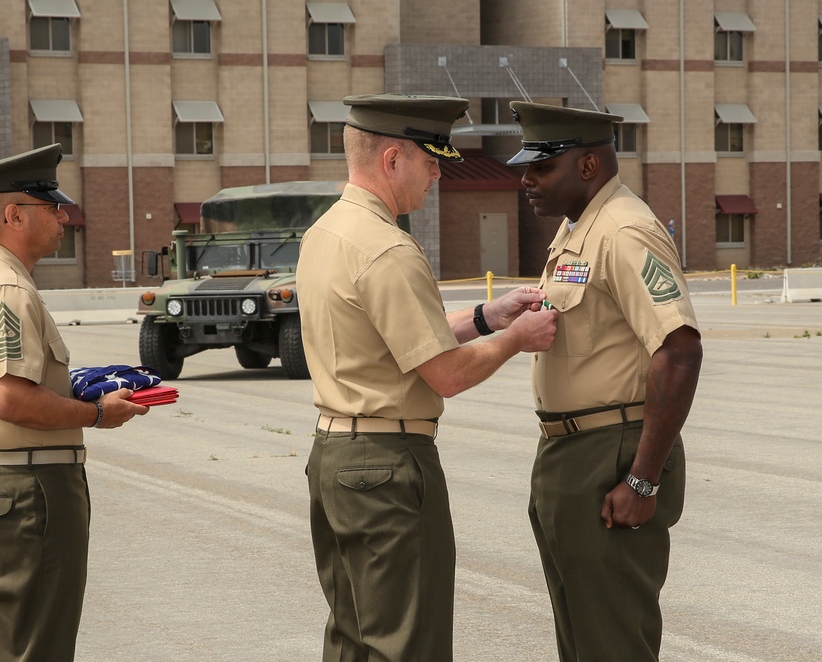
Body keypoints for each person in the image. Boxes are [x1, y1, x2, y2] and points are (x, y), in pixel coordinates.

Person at [297, 93, 558, 661]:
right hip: (387, 466)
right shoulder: (389, 249)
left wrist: (489, 315)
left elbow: (397, 336)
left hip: (336, 456)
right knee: (407, 643)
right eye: (431, 159)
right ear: (393, 160)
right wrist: (518, 338)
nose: (438, 174)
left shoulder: (326, 233)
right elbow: (445, 374)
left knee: (353, 638)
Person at [506, 101, 703, 661]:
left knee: (613, 642)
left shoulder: (624, 231)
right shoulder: (581, 230)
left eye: (541, 168)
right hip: (570, 454)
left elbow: (680, 352)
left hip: (611, 455)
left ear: (588, 167)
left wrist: (642, 480)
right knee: (582, 639)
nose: (527, 181)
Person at [0, 143, 149, 661]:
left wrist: (71, 388)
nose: (63, 217)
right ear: (13, 215)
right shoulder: (6, 289)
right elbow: (6, 396)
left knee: (16, 643)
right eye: (50, 207)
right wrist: (98, 414)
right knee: (37, 648)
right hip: (28, 488)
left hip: (9, 482)